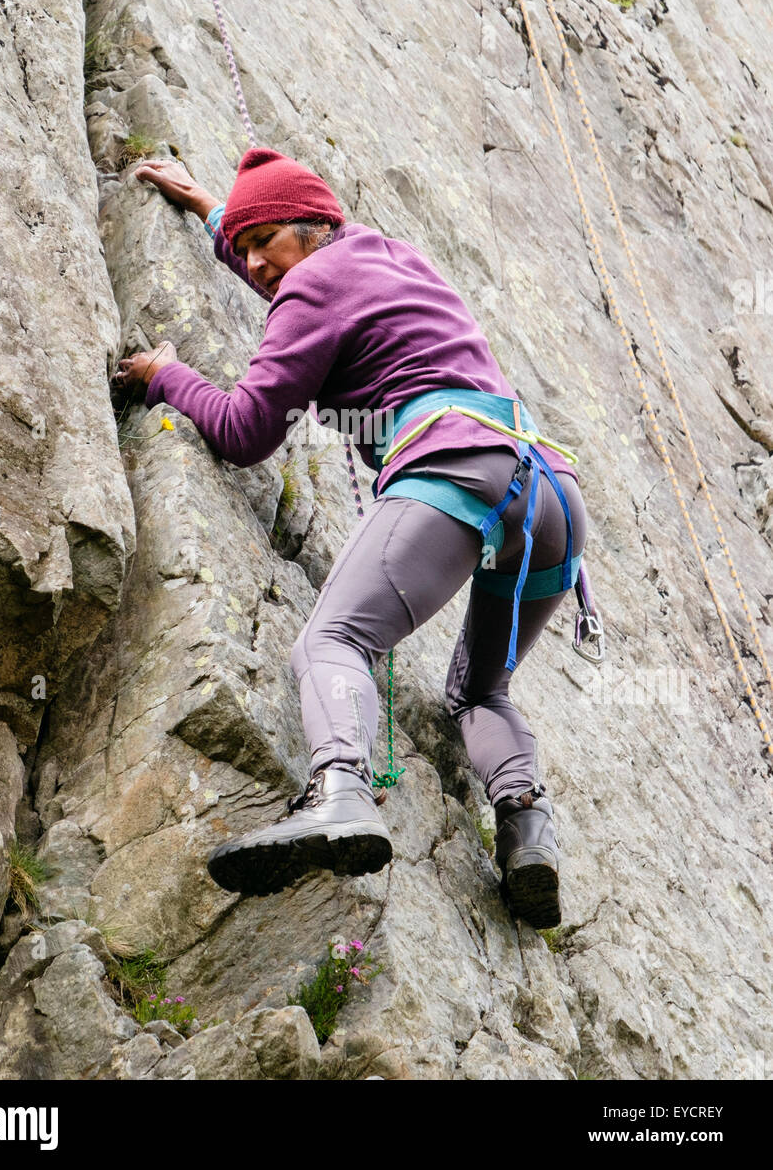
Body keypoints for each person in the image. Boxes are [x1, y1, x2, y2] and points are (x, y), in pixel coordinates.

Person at [113, 147, 587, 929]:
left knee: (331, 641)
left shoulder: (308, 286)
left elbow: (243, 430)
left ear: (309, 227)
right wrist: (218, 217)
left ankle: (339, 792)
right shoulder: (386, 255)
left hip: (455, 471)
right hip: (550, 501)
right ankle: (526, 827)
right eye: (247, 250)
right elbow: (317, 293)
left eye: (267, 242)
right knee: (478, 691)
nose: (258, 263)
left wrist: (169, 374)